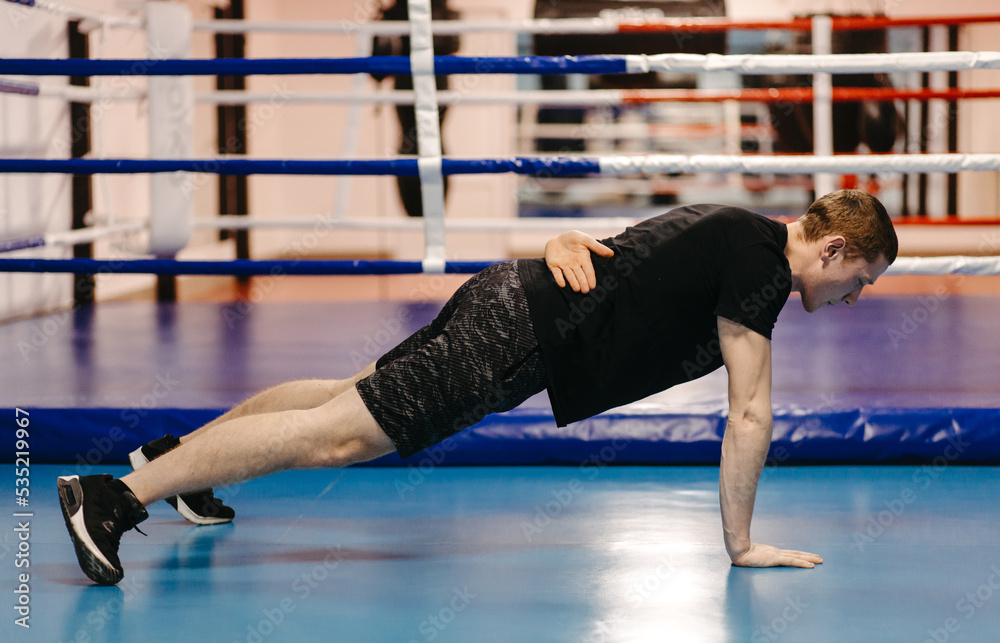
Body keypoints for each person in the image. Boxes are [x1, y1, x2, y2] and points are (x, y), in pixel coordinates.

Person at [57, 189, 898, 585]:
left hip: (509, 301)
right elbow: (750, 411)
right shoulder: (759, 269)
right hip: (516, 338)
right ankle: (115, 495)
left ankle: (187, 465)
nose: (854, 298)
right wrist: (743, 544)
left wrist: (559, 242)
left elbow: (616, 256)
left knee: (342, 394)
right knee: (343, 434)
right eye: (860, 279)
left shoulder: (735, 228)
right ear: (830, 250)